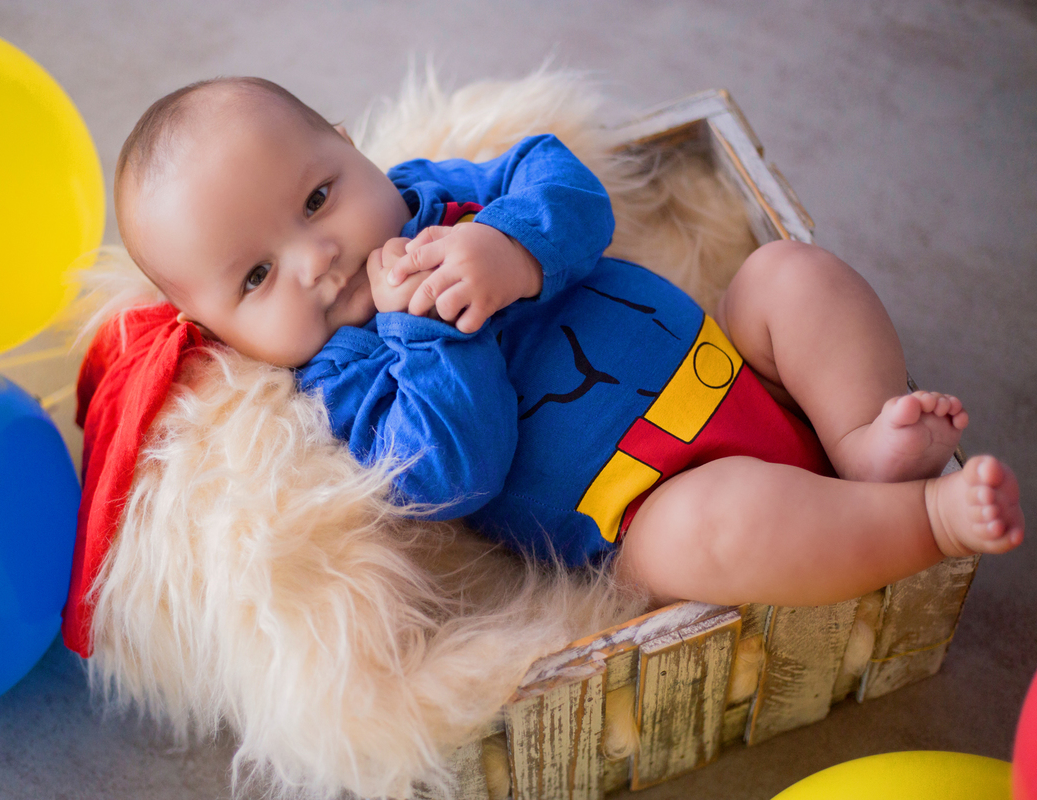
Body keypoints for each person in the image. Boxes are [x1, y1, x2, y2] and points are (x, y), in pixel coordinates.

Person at [109, 76, 1023, 609]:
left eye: (317, 199)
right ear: (215, 331)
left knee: (790, 275)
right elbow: (452, 473)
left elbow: (565, 181)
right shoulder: (344, 378)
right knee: (712, 531)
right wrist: (425, 329)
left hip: (728, 363)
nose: (318, 258)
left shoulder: (436, 196)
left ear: (355, 149)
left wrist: (506, 247)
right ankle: (924, 522)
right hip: (643, 501)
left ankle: (860, 438)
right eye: (257, 278)